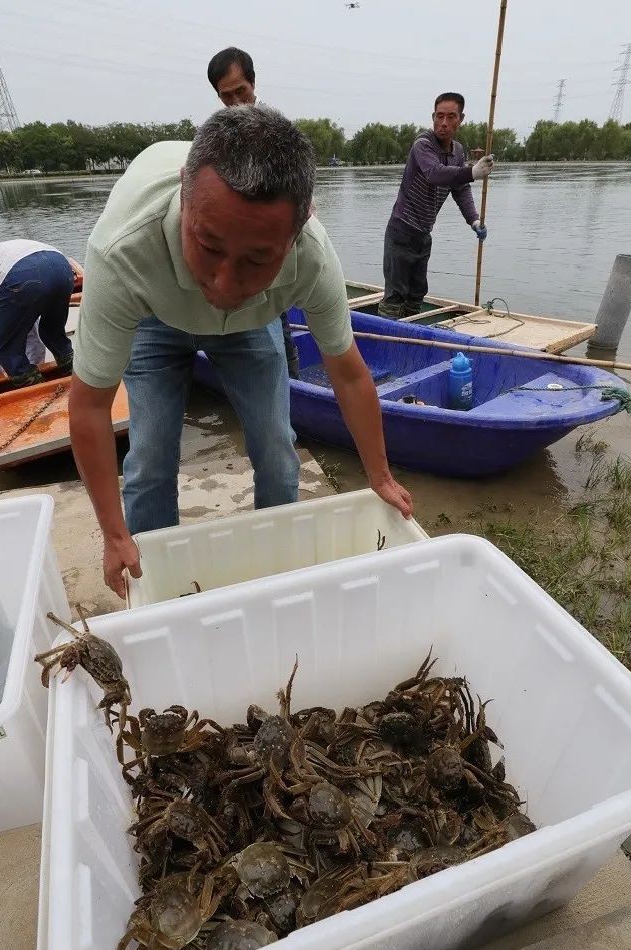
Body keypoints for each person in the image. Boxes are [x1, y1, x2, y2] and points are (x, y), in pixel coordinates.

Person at [70, 106, 412, 598]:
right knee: (148, 461)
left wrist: (379, 475)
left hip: (250, 325)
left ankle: (278, 579)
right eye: (208, 245)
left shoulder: (312, 257)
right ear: (185, 196)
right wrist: (112, 534)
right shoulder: (122, 250)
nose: (225, 284)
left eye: (257, 259)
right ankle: (154, 588)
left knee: (278, 450)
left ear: (297, 233)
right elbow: (89, 406)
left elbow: (349, 373)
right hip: (155, 317)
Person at [207, 45, 300, 379]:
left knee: (279, 313)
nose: (235, 102)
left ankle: (292, 383)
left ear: (253, 84)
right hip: (237, 248)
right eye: (226, 96)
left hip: (271, 244)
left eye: (240, 91)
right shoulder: (216, 135)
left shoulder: (276, 129)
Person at [379, 93, 494, 320]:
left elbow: (459, 188)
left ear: (460, 119)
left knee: (417, 294)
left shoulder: (458, 152)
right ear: (433, 117)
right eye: (439, 116)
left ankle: (411, 337)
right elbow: (435, 174)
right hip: (401, 230)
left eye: (451, 117)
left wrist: (474, 219)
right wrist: (472, 172)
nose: (444, 123)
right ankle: (388, 337)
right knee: (395, 296)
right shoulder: (423, 144)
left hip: (423, 233)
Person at [0, 240, 82, 386]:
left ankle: (35, 389)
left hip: (23, 274)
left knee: (4, 349)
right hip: (62, 267)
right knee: (52, 334)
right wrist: (37, 364)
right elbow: (31, 334)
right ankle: (75, 374)